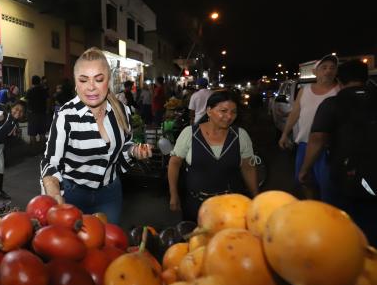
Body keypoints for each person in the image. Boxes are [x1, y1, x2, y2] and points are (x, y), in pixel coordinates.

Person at [40, 47, 152, 223]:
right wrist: (53, 193)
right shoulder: (66, 116)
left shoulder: (122, 110)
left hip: (110, 194)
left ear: (108, 81)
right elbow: (50, 162)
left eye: (98, 79)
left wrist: (133, 152)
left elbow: (125, 145)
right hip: (72, 195)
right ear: (76, 83)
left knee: (106, 246)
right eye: (84, 80)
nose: (91, 87)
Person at [298, 60, 377, 244]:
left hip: (344, 176)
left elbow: (317, 139)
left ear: (340, 81)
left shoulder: (332, 103)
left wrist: (305, 169)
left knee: (341, 226)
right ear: (365, 79)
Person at [167, 90, 259, 221]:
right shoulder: (190, 134)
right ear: (209, 111)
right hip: (196, 206)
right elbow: (174, 163)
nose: (229, 116)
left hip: (232, 208)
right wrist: (173, 194)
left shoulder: (240, 136)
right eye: (223, 111)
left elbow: (248, 167)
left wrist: (255, 197)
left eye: (233, 112)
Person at [278, 54, 339, 200]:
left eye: (332, 68)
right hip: (305, 145)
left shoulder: (339, 91)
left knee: (327, 186)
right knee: (304, 181)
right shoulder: (304, 91)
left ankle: (327, 216)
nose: (328, 71)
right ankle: (310, 207)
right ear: (315, 72)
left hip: (328, 147)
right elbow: (295, 113)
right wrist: (285, 134)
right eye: (324, 68)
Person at [25, 75, 48, 146]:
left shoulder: (30, 91)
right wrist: (47, 109)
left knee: (32, 133)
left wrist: (27, 111)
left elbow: (26, 101)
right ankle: (43, 149)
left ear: (32, 82)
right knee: (42, 132)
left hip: (32, 114)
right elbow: (48, 100)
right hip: (43, 113)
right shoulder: (44, 90)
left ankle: (34, 149)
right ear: (39, 81)